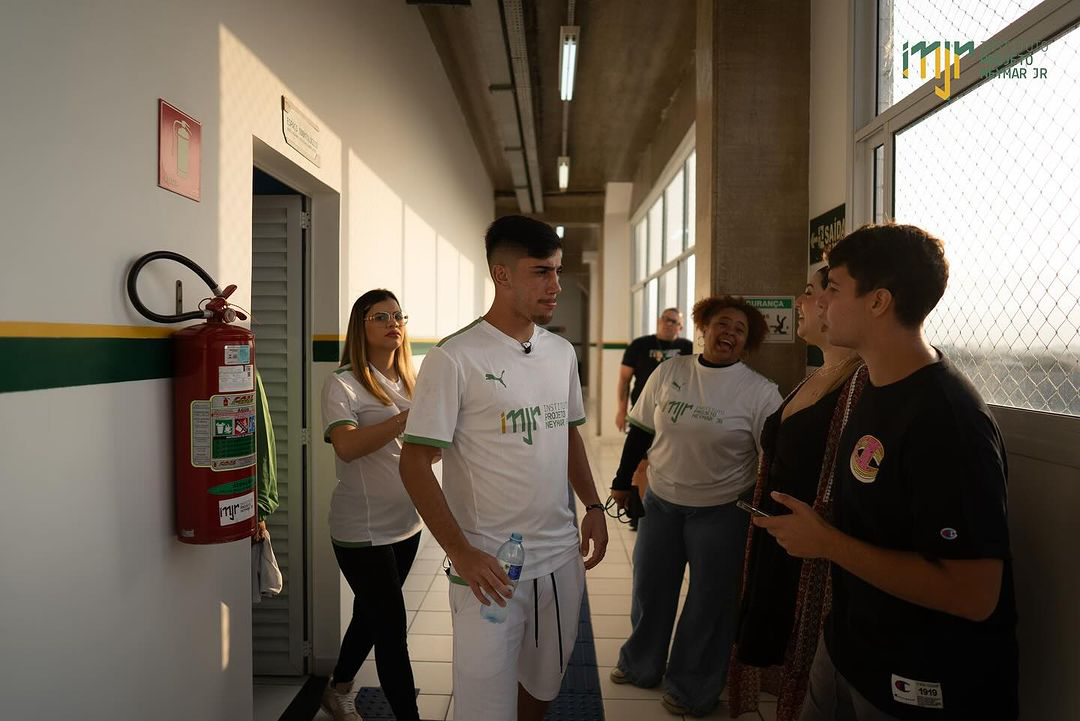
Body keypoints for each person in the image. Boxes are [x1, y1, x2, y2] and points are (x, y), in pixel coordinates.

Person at [754, 223, 1019, 721]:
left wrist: (826, 542)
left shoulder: (948, 421)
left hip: (921, 680)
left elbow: (974, 594)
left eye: (832, 288)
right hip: (848, 650)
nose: (819, 301)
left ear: (878, 302)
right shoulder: (871, 387)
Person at [399, 215, 608, 721]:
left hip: (560, 559)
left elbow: (568, 434)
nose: (556, 285)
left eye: (557, 271)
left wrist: (594, 504)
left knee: (543, 688)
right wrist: (462, 553)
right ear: (502, 274)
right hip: (489, 569)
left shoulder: (560, 353)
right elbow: (414, 464)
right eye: (541, 272)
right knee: (483, 706)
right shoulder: (455, 358)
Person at [608, 295, 783, 717]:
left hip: (722, 509)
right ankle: (641, 664)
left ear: (747, 342)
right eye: (723, 323)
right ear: (704, 327)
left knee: (710, 603)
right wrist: (621, 481)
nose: (730, 334)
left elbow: (774, 461)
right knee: (650, 588)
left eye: (740, 330)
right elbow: (640, 432)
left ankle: (693, 687)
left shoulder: (760, 393)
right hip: (662, 501)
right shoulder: (670, 372)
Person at [727, 264, 865, 720]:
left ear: (833, 304)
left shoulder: (861, 383)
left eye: (808, 293)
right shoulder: (816, 375)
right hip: (780, 543)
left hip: (815, 555)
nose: (798, 303)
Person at [320, 289, 422, 721]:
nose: (392, 323)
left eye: (397, 315)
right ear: (360, 327)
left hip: (408, 523)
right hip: (363, 531)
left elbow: (420, 452)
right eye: (380, 317)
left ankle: (339, 686)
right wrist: (404, 419)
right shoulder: (342, 383)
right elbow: (345, 446)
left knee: (371, 613)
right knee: (392, 632)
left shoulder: (409, 381)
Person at [615, 308, 694, 529]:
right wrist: (621, 410)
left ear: (680, 327)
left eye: (674, 322)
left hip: (675, 418)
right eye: (665, 319)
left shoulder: (688, 348)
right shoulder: (640, 345)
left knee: (667, 465)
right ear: (659, 321)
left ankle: (664, 512)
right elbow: (624, 380)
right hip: (644, 416)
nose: (668, 324)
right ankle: (637, 514)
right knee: (640, 465)